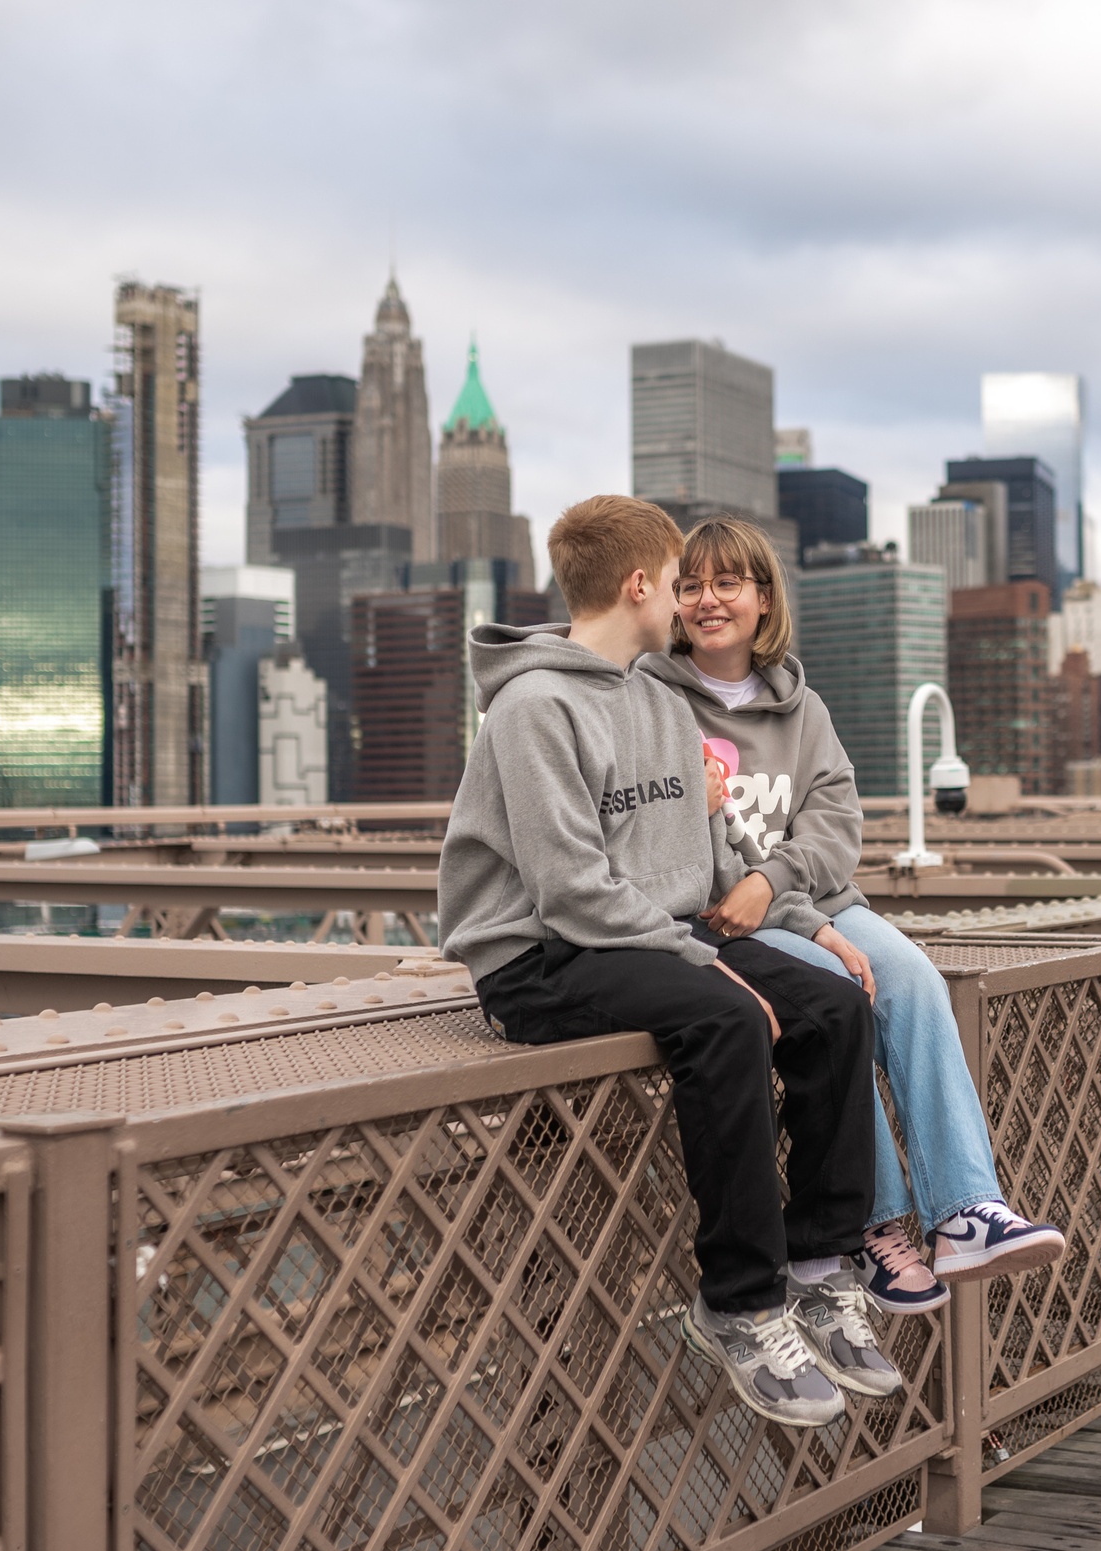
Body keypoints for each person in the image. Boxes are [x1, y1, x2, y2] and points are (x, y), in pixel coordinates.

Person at [440, 495, 897, 1427]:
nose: (689, 599)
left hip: (655, 930)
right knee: (724, 1016)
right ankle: (738, 1301)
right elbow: (569, 892)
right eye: (678, 579)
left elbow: (720, 851)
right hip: (537, 958)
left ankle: (820, 1263)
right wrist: (705, 962)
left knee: (835, 1008)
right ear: (641, 584)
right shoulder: (532, 707)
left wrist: (813, 930)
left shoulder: (655, 698)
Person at [639, 516, 1066, 1317]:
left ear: (763, 598)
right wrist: (757, 892)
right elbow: (661, 831)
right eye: (690, 584)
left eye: (727, 582)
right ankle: (873, 1223)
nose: (706, 599)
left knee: (910, 974)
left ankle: (967, 1207)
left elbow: (836, 828)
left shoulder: (805, 710)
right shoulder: (653, 701)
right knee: (836, 998)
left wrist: (777, 880)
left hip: (813, 900)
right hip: (723, 915)